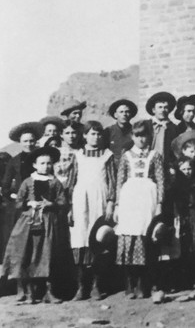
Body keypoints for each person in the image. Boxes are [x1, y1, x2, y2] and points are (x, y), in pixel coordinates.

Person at [0, 146, 68, 304]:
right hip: (28, 222)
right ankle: (29, 292)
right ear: (35, 165)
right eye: (42, 163)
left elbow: (63, 201)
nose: (46, 166)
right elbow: (18, 202)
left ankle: (48, 292)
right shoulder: (27, 181)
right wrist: (28, 203)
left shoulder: (55, 182)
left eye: (49, 163)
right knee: (28, 253)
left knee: (48, 254)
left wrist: (50, 203)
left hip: (48, 222)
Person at [115, 120, 164, 299]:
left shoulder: (155, 155)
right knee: (129, 237)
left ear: (149, 136)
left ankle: (144, 283)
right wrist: (117, 205)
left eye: (144, 135)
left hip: (147, 198)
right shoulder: (126, 155)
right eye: (137, 136)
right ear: (132, 137)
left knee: (145, 237)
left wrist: (159, 203)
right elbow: (120, 181)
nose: (141, 139)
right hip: (129, 199)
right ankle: (130, 282)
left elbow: (160, 181)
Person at [70, 120, 116, 300]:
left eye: (98, 134)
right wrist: (70, 208)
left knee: (99, 240)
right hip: (81, 201)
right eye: (92, 134)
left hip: (100, 199)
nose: (95, 137)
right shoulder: (78, 155)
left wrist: (111, 202)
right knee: (80, 240)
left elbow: (112, 180)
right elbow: (72, 182)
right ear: (85, 136)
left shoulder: (107, 155)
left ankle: (98, 286)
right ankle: (82, 287)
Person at [171, 156, 195, 291]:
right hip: (181, 217)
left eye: (189, 168)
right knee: (183, 248)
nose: (187, 171)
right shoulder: (176, 184)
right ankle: (181, 281)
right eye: (184, 169)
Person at [145, 91, 180, 178]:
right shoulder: (146, 125)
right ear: (154, 110)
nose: (163, 110)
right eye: (160, 107)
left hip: (166, 167)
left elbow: (176, 150)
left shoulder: (174, 128)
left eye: (166, 107)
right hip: (147, 165)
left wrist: (173, 165)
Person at [104, 99, 137, 163]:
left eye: (127, 111)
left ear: (131, 114)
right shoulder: (108, 131)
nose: (124, 114)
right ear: (115, 115)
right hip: (113, 166)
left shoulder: (136, 130)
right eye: (121, 112)